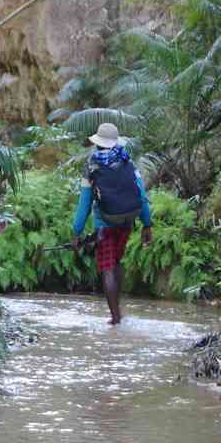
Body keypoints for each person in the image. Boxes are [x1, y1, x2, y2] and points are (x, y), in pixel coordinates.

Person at [72, 122, 152, 324]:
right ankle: (119, 312)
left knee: (107, 267)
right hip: (126, 220)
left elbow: (84, 203)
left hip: (104, 224)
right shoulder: (127, 161)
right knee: (116, 262)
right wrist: (147, 223)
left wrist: (76, 232)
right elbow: (141, 195)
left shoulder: (92, 166)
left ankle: (115, 318)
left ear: (98, 143)